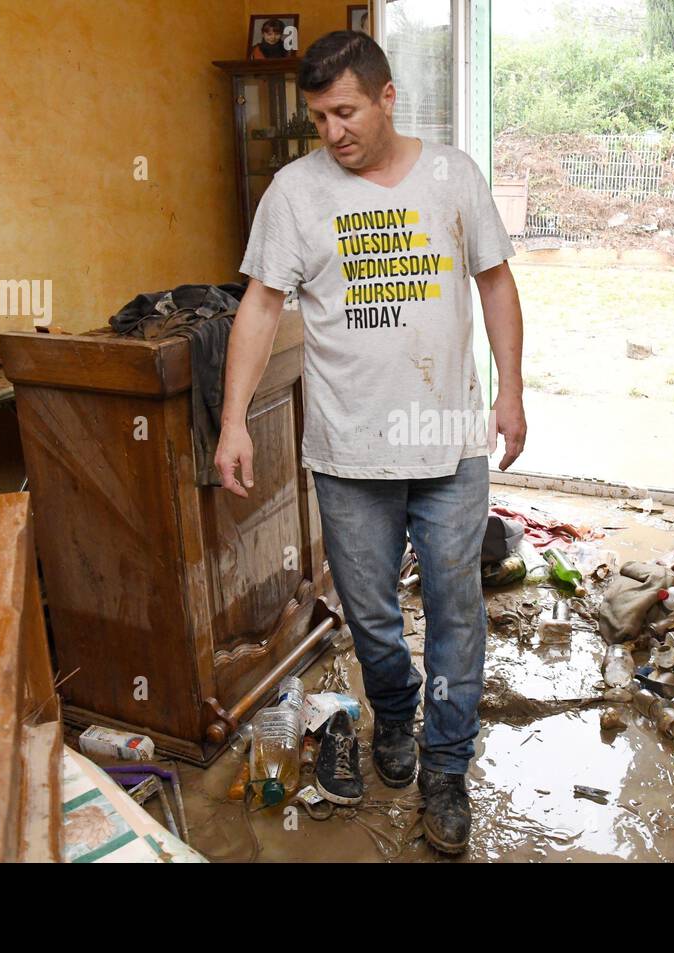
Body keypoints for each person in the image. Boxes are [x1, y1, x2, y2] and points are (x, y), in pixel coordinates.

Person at [214, 29, 526, 854]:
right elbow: (259, 306)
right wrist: (234, 417)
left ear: (388, 98)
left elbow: (495, 280)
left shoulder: (453, 176)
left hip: (451, 442)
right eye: (317, 117)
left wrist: (513, 392)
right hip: (349, 452)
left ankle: (448, 762)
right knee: (372, 614)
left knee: (458, 608)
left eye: (344, 111)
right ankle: (394, 710)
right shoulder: (292, 194)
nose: (331, 131)